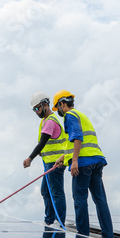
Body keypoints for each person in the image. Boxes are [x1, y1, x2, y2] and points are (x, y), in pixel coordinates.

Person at [53, 90, 114, 238]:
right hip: (96, 160)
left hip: (83, 163)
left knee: (80, 199)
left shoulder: (69, 115)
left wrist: (74, 161)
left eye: (57, 107)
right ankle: (108, 236)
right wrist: (63, 157)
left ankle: (82, 236)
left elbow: (78, 137)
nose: (58, 111)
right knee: (100, 199)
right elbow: (76, 142)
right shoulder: (82, 115)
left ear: (62, 104)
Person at [23, 91, 70, 228]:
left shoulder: (50, 121)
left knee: (56, 192)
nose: (36, 112)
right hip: (49, 161)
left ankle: (58, 221)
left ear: (45, 105)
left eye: (38, 108)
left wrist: (30, 158)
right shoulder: (45, 121)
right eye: (34, 110)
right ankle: (49, 220)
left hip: (55, 162)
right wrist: (42, 153)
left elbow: (42, 142)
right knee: (46, 190)